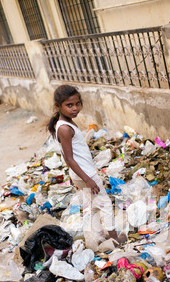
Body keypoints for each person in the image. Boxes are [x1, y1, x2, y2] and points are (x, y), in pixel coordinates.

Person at [47, 84, 126, 247]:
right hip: (86, 174)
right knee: (105, 205)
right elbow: (68, 158)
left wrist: (75, 177)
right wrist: (87, 179)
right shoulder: (64, 128)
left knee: (92, 206)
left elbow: (65, 154)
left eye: (77, 103)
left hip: (79, 174)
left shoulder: (64, 124)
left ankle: (97, 238)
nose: (75, 108)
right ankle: (114, 239)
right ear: (58, 106)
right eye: (69, 105)